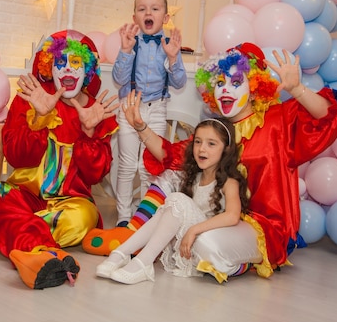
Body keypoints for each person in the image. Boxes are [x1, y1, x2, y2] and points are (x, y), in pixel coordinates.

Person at [85, 43, 337, 282]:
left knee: (205, 243)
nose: (225, 89)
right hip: (217, 218)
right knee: (174, 178)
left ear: (255, 86)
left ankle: (238, 261)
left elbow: (328, 119)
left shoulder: (278, 120)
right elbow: (170, 155)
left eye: (235, 81)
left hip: (263, 226)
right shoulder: (217, 132)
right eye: (219, 83)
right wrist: (141, 127)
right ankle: (131, 240)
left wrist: (297, 90)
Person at [0, 30, 119, 289]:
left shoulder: (97, 111)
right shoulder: (32, 99)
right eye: (61, 62)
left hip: (71, 204)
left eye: (76, 62)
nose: (68, 69)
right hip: (26, 196)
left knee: (84, 218)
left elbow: (96, 175)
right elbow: (15, 156)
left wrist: (89, 133)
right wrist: (38, 120)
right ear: (49, 67)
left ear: (88, 69)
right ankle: (43, 251)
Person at [96, 112, 251, 284]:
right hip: (188, 246)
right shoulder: (195, 177)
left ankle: (143, 262)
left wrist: (194, 230)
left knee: (177, 199)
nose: (202, 149)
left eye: (211, 144)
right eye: (198, 142)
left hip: (209, 247)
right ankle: (121, 253)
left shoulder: (229, 182)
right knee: (168, 207)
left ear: (226, 149)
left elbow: (232, 215)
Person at [111, 0, 187, 227]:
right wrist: (125, 50)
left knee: (148, 166)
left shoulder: (169, 45)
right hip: (129, 107)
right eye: (142, 9)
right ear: (135, 17)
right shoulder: (131, 43)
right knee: (126, 165)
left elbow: (179, 82)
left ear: (165, 17)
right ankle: (124, 216)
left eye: (155, 9)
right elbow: (119, 79)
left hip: (156, 110)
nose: (148, 12)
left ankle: (144, 217)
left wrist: (173, 59)